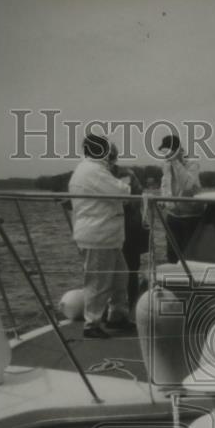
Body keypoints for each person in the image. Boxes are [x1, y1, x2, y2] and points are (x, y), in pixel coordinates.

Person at [70, 133, 133, 338]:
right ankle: (92, 324)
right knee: (98, 282)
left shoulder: (92, 169)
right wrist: (127, 180)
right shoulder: (93, 171)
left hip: (107, 236)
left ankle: (118, 316)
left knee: (119, 277)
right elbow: (122, 191)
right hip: (98, 236)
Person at [108, 143, 149, 309]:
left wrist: (124, 202)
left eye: (110, 156)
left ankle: (132, 305)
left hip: (130, 228)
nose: (108, 160)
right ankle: (111, 308)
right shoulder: (96, 175)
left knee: (132, 268)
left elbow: (138, 197)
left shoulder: (127, 174)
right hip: (109, 230)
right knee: (108, 270)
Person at [158, 134, 203, 263]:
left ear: (176, 151)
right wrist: (164, 200)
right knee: (172, 256)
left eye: (168, 152)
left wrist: (175, 161)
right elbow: (165, 182)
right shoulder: (166, 164)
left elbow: (187, 185)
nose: (165, 156)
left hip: (191, 218)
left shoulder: (193, 164)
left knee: (190, 258)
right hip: (172, 217)